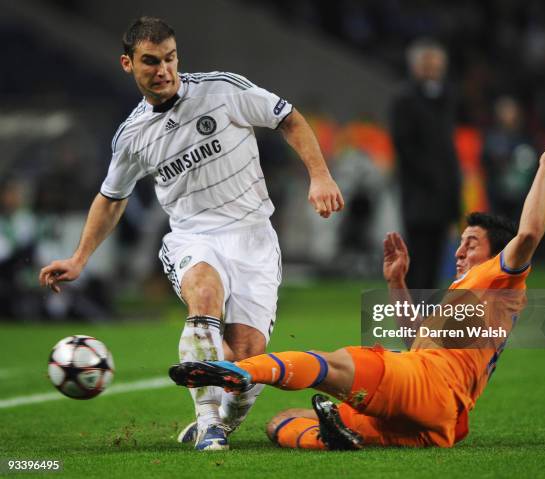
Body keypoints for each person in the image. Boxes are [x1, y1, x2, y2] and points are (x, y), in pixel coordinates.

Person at [38, 17, 344, 451]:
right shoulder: (132, 137)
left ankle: (223, 419)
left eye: (170, 59)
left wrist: (320, 176)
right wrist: (79, 258)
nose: (163, 70)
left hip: (254, 236)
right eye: (150, 61)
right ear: (128, 64)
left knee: (246, 357)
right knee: (203, 293)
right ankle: (208, 425)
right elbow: (111, 197)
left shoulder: (222, 90)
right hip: (194, 236)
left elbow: (289, 119)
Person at [169, 131, 545, 449]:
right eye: (462, 240)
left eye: (472, 241)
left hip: (426, 385)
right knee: (283, 422)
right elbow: (419, 339)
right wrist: (397, 284)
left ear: (495, 253)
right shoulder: (468, 293)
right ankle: (328, 438)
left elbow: (530, 232)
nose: (462, 248)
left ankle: (235, 372)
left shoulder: (501, 278)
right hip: (436, 420)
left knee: (329, 364)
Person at [389, 38, 461, 289]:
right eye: (428, 65)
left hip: (443, 193)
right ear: (415, 66)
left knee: (437, 258)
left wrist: (453, 188)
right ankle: (411, 319)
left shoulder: (447, 98)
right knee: (417, 256)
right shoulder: (405, 99)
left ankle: (428, 319)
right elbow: (404, 146)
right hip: (418, 192)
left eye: (437, 65)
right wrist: (431, 176)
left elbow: (448, 148)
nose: (433, 70)